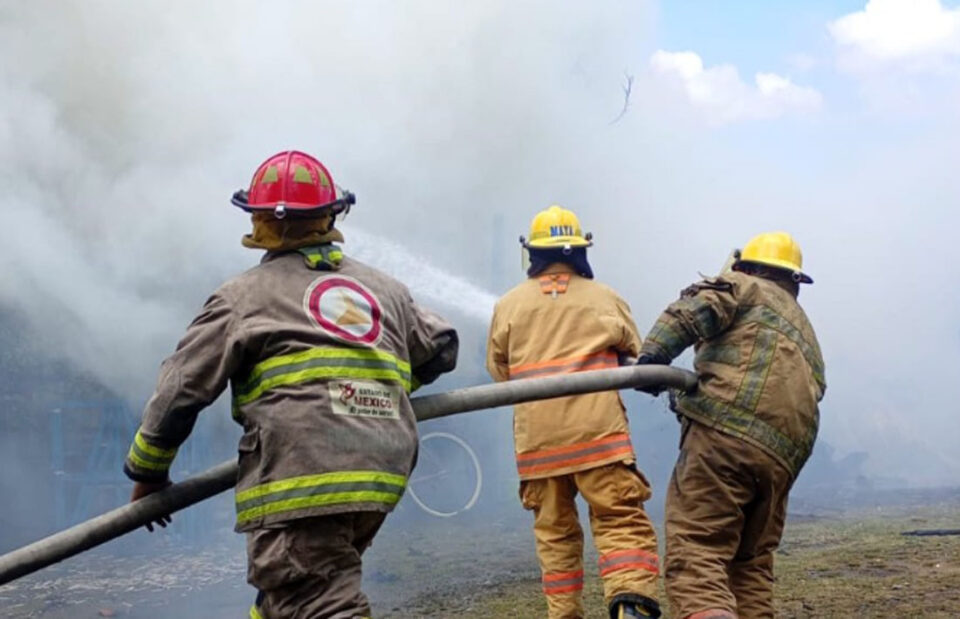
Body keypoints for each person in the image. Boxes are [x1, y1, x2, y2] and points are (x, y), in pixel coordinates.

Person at [123, 150, 459, 619]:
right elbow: (442, 345)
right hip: (380, 471)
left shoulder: (241, 297)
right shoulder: (384, 288)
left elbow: (179, 389)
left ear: (260, 219)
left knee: (316, 599)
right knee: (288, 597)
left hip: (305, 475)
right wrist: (369, 392)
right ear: (332, 213)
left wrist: (148, 472)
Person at [636, 231, 825, 619]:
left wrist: (652, 357)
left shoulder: (743, 286)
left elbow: (694, 309)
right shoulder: (806, 334)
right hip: (781, 463)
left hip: (725, 445)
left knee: (697, 550)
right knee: (750, 565)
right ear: (794, 281)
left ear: (748, 266)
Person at [487, 206, 661, 619]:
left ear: (533, 253)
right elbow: (634, 353)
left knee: (554, 536)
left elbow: (499, 371)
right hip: (601, 440)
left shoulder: (509, 305)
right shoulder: (606, 297)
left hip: (539, 448)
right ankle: (629, 605)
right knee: (619, 520)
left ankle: (564, 614)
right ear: (581, 249)